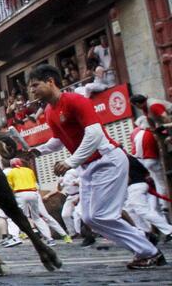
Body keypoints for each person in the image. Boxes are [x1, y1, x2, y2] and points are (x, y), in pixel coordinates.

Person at [27, 64, 165, 269]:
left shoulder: (75, 100)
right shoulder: (49, 111)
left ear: (50, 82)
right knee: (91, 218)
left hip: (107, 160)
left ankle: (149, 251)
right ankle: (144, 238)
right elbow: (58, 139)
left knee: (102, 215)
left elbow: (95, 134)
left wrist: (70, 162)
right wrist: (37, 151)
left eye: (35, 85)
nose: (32, 91)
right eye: (30, 87)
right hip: (88, 167)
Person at [6, 158, 58, 246]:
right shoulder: (29, 171)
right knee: (37, 217)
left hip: (20, 194)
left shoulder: (11, 172)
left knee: (14, 217)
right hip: (33, 193)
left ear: (11, 165)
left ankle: (15, 237)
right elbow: (34, 183)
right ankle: (50, 239)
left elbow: (10, 186)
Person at [124, 154, 172, 243]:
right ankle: (147, 234)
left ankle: (169, 230)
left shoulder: (122, 161)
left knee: (142, 210)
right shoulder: (131, 158)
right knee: (131, 210)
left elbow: (128, 179)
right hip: (141, 185)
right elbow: (145, 172)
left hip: (135, 187)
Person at [131, 116, 169, 213]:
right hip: (153, 160)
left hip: (144, 161)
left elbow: (134, 152)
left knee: (154, 185)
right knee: (161, 184)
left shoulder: (137, 134)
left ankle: (156, 208)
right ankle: (164, 205)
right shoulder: (150, 133)